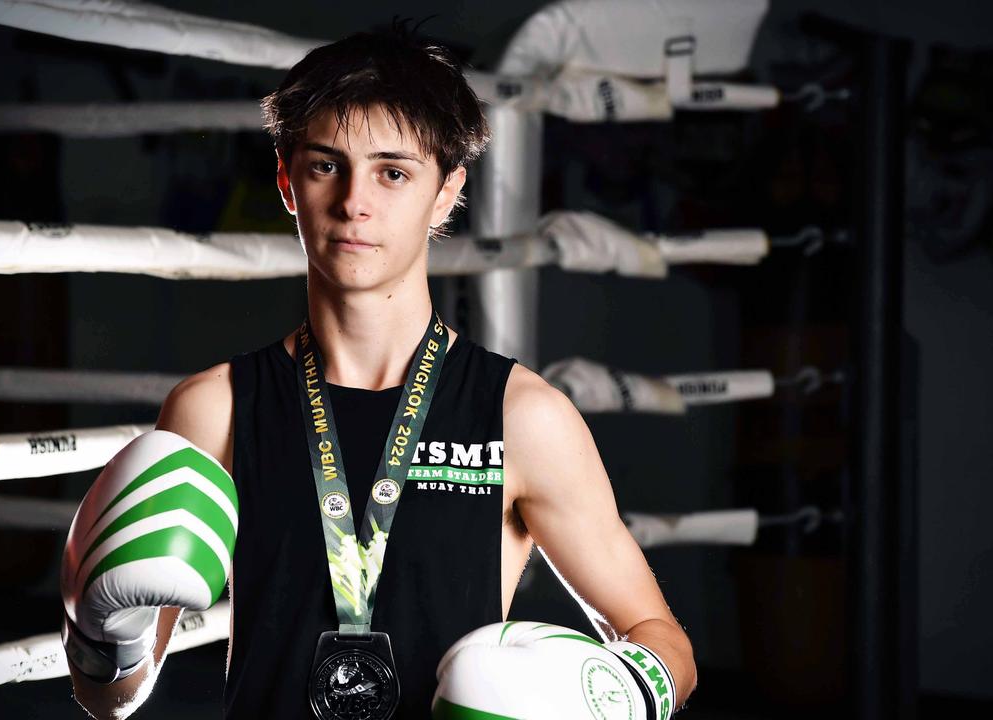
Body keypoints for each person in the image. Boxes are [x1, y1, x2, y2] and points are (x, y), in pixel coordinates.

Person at [61, 24, 696, 720]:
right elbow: (111, 700)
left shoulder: (522, 416)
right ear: (287, 181)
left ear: (447, 192)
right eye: (326, 165)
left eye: (393, 171)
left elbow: (662, 641)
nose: (354, 202)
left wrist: (614, 694)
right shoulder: (215, 409)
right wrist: (103, 634)